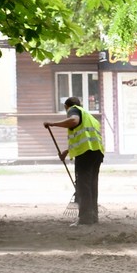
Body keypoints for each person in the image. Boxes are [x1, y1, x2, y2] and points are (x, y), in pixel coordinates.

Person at [44, 96, 104, 225]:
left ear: (66, 106)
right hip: (96, 153)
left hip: (85, 154)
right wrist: (67, 151)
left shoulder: (73, 110)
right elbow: (84, 138)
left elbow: (73, 121)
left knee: (83, 185)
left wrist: (53, 124)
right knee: (92, 185)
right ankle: (93, 217)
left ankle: (85, 219)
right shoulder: (89, 117)